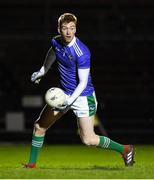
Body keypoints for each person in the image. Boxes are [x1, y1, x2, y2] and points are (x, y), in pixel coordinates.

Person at [23, 13, 135, 168]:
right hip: (64, 94)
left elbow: (82, 83)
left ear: (76, 29)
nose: (68, 32)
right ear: (59, 29)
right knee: (40, 126)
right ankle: (31, 165)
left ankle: (125, 149)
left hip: (83, 97)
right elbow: (52, 53)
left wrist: (69, 101)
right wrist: (43, 70)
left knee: (88, 139)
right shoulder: (56, 42)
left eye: (72, 28)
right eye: (65, 28)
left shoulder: (81, 52)